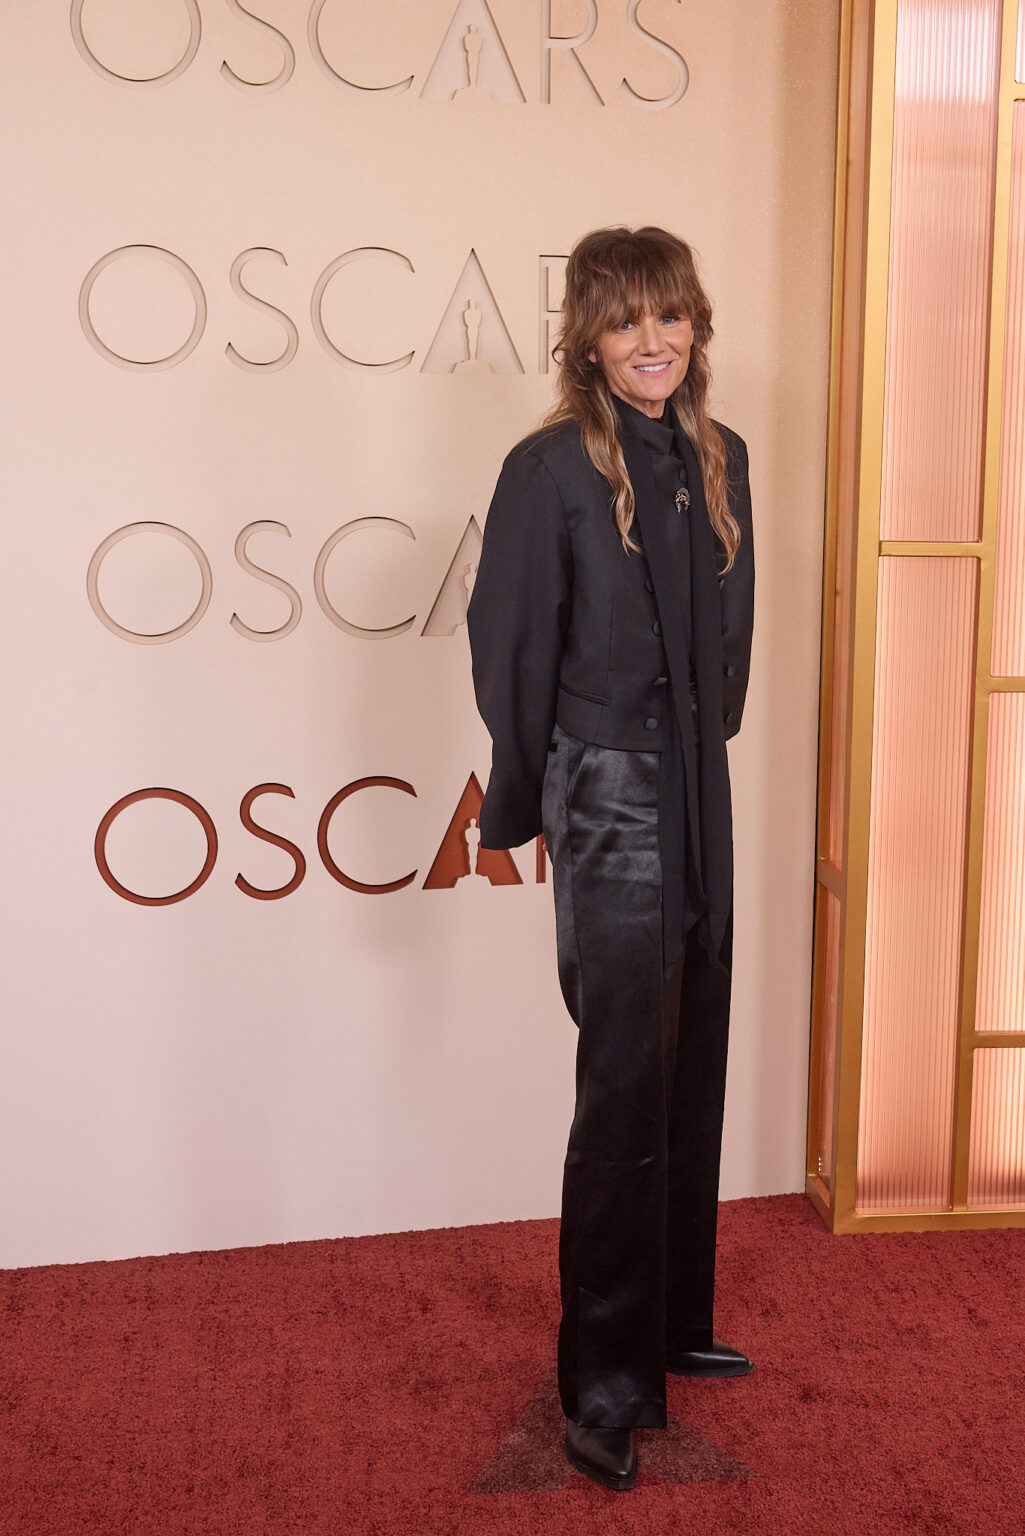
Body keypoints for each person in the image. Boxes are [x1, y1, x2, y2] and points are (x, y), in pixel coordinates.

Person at [466, 225, 755, 1491]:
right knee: (622, 1083)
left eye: (671, 317)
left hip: (698, 788)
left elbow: (728, 649)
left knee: (694, 1056)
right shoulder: (548, 469)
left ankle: (669, 1325)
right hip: (610, 796)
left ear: (694, 326)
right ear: (587, 334)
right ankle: (599, 1379)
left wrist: (705, 741)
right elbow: (510, 644)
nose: (653, 343)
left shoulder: (717, 453)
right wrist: (525, 802)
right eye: (627, 321)